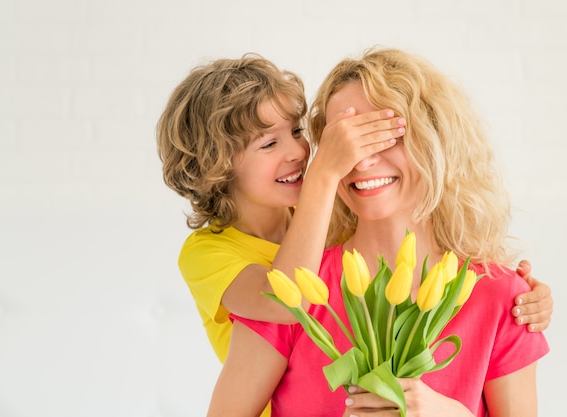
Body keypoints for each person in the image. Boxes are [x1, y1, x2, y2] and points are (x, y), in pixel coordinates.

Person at [207, 48, 549, 417]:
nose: (363, 160)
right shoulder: (292, 293)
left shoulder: (505, 298)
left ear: (435, 141)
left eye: (385, 136)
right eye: (346, 140)